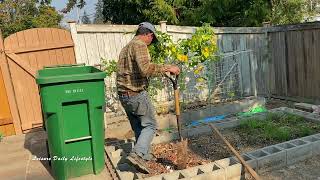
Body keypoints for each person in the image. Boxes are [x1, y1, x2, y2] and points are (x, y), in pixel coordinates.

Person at [116, 22, 180, 173]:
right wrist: (168, 67)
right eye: (152, 38)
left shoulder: (126, 48)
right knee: (150, 125)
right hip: (136, 94)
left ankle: (143, 155)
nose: (151, 42)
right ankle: (138, 154)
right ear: (149, 35)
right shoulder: (139, 45)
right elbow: (146, 69)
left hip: (124, 95)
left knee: (139, 127)